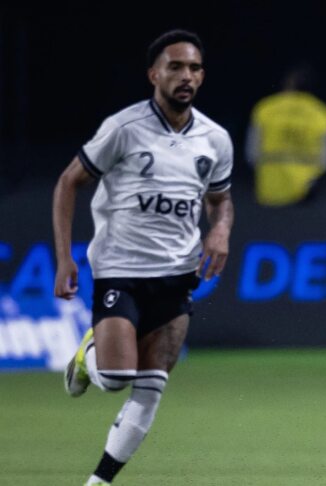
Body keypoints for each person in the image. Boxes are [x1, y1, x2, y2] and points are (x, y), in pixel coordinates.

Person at [52, 29, 234, 486]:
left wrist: (221, 230)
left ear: (202, 76)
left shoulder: (215, 139)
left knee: (152, 387)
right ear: (154, 74)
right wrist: (64, 258)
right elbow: (69, 182)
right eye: (175, 67)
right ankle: (87, 354)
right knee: (116, 377)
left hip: (178, 274)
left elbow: (220, 199)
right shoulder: (124, 128)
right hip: (121, 270)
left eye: (194, 68)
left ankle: (98, 482)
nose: (186, 75)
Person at [245, 64, 326, 207]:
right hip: (306, 193)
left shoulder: (265, 108)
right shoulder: (322, 113)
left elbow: (252, 153)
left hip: (269, 192)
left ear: (288, 84)